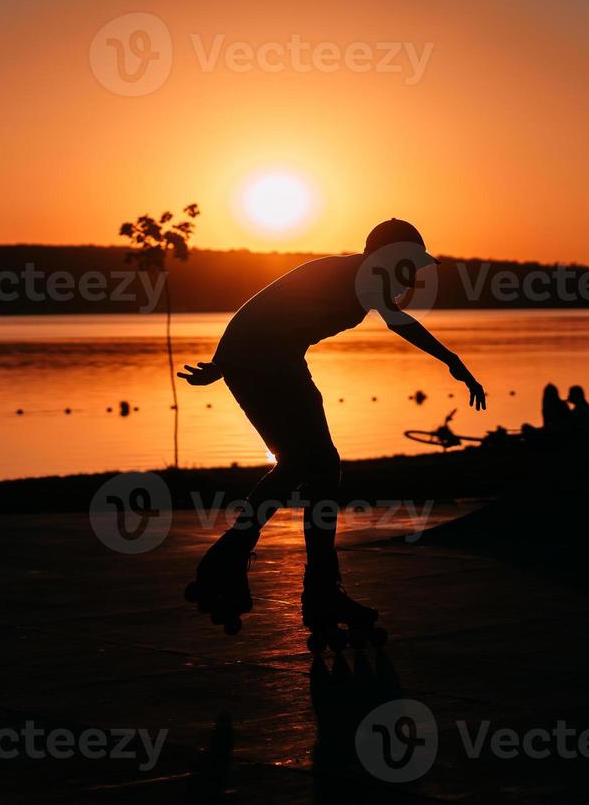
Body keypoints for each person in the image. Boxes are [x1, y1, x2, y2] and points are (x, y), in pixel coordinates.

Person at [177, 219, 486, 636]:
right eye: (407, 262)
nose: (412, 274)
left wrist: (226, 360)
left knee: (308, 468)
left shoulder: (352, 273)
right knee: (313, 467)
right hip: (267, 363)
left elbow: (268, 310)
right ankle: (281, 577)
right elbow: (399, 322)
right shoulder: (366, 273)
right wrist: (453, 361)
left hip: (268, 361)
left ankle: (256, 567)